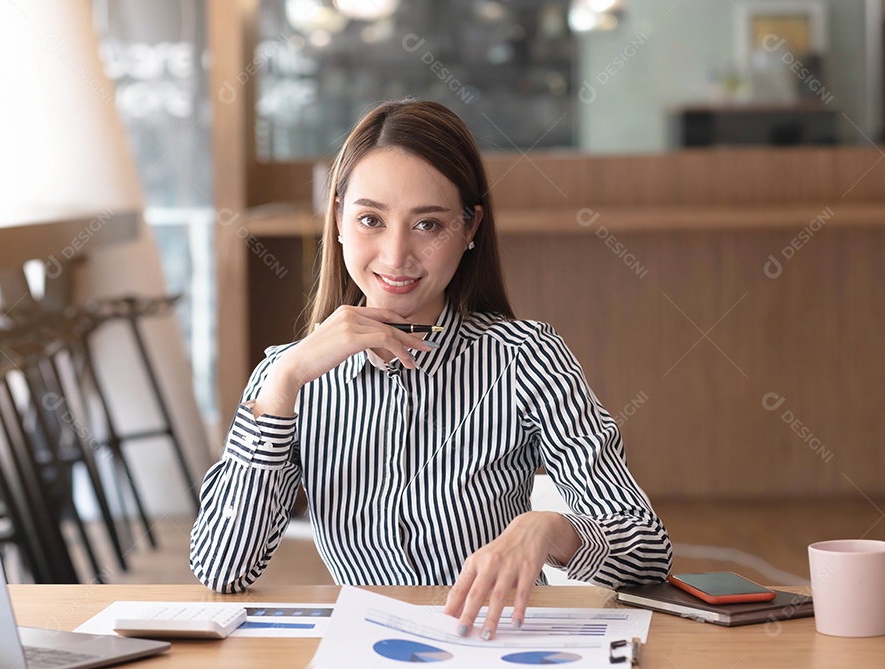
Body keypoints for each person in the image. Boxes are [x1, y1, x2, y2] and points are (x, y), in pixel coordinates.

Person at [190, 99, 671, 640]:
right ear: (339, 222)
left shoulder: (527, 358)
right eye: (371, 219)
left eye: (429, 224)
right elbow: (221, 571)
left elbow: (648, 551)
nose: (396, 256)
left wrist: (551, 527)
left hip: (496, 648)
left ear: (470, 230)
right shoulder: (289, 377)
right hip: (366, 647)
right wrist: (281, 385)